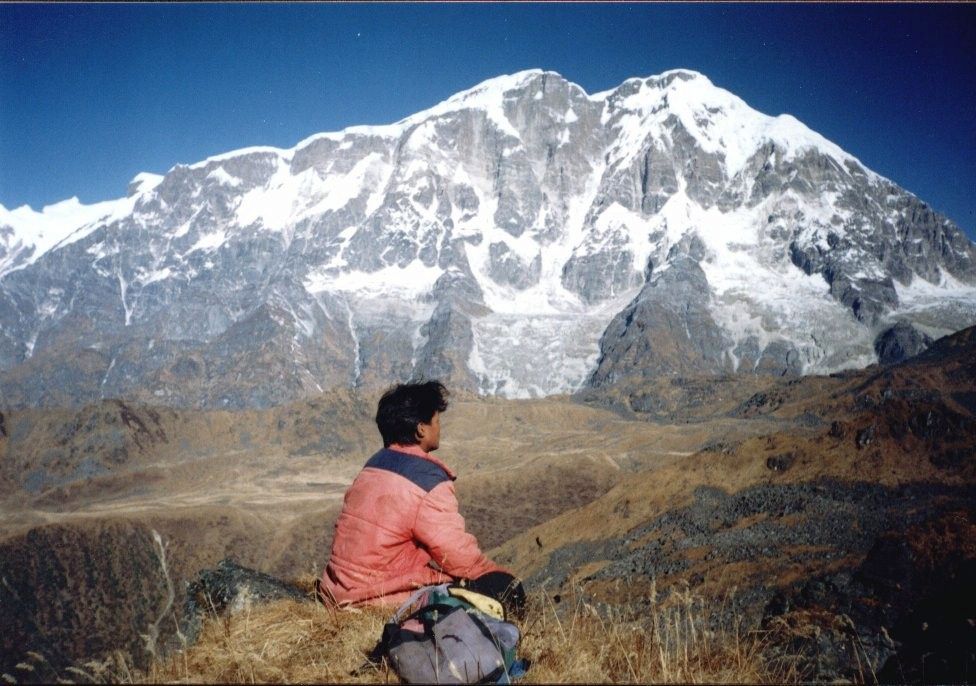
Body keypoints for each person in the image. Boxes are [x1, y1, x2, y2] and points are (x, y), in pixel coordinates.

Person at [318, 380, 526, 618]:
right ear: (421, 430)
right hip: (377, 598)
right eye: (437, 421)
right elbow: (458, 558)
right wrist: (498, 576)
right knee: (509, 591)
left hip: (337, 591)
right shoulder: (427, 481)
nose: (439, 428)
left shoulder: (371, 468)